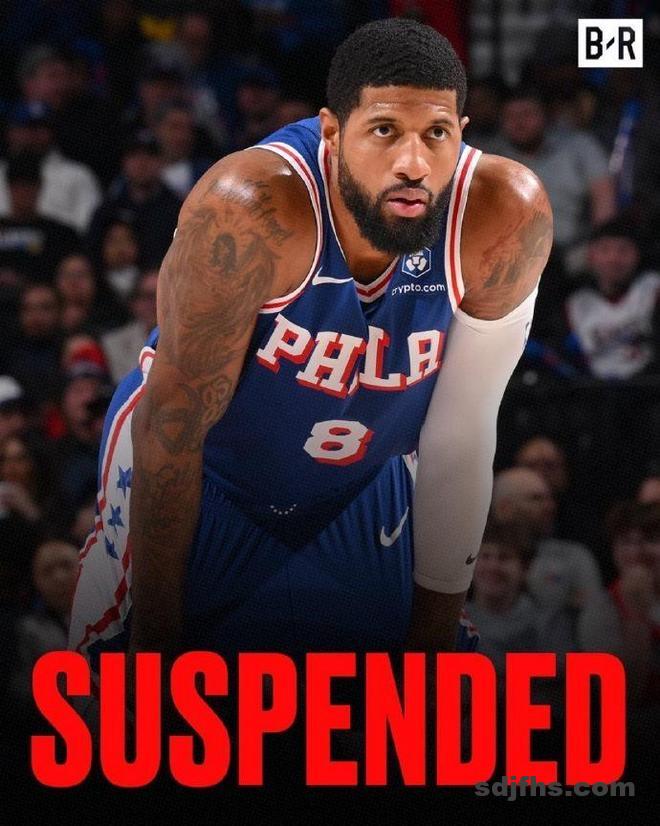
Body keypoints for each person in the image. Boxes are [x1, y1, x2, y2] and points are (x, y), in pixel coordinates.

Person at [70, 19, 552, 676]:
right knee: (115, 698)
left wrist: (430, 654)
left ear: (461, 133)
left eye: (436, 134)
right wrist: (156, 652)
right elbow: (172, 429)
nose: (413, 163)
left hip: (361, 481)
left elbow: (461, 435)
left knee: (419, 705)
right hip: (204, 470)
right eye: (384, 130)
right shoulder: (252, 206)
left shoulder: (502, 214)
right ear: (332, 132)